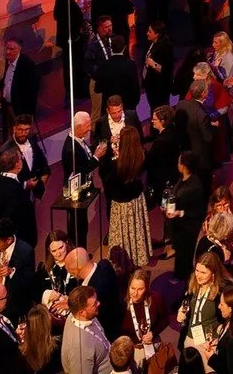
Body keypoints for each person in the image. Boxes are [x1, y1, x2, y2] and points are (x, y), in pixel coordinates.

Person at [102, 124, 152, 271]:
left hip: (121, 204)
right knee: (135, 229)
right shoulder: (143, 155)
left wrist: (113, 156)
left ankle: (123, 260)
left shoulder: (116, 164)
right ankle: (137, 255)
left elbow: (107, 179)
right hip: (136, 200)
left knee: (123, 233)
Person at [61, 286, 111, 374]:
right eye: (94, 304)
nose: (99, 303)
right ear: (81, 312)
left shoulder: (81, 315)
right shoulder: (79, 349)